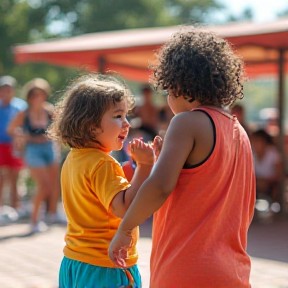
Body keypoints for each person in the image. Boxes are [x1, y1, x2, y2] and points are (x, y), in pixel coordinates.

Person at [109, 27, 256, 288]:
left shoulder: (186, 122)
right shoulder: (239, 132)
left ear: (181, 85)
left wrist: (125, 228)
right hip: (233, 271)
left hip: (186, 269)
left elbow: (160, 187)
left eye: (167, 89)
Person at [46, 73, 158, 288]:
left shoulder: (74, 157)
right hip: (106, 265)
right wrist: (146, 166)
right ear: (91, 126)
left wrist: (127, 179)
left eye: (127, 116)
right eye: (118, 116)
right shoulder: (104, 164)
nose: (127, 124)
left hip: (75, 262)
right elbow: (125, 208)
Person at [7, 78, 61, 232]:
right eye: (34, 94)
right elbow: (11, 129)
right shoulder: (24, 113)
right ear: (29, 96)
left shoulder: (49, 110)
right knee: (42, 185)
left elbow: (60, 127)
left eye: (40, 94)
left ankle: (52, 213)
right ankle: (34, 220)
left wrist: (52, 137)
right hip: (33, 149)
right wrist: (25, 137)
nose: (37, 97)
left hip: (49, 147)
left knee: (54, 182)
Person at [0, 76, 27, 212]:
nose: (6, 93)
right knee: (1, 176)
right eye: (3, 90)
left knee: (15, 175)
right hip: (0, 145)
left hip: (15, 145)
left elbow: (25, 125)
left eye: (8, 90)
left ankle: (15, 206)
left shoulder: (21, 106)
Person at [250, 129, 282, 203]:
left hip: (271, 187)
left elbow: (280, 173)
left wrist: (267, 181)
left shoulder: (273, 153)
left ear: (264, 141)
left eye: (257, 141)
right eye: (253, 141)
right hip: (255, 186)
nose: (254, 144)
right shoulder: (251, 154)